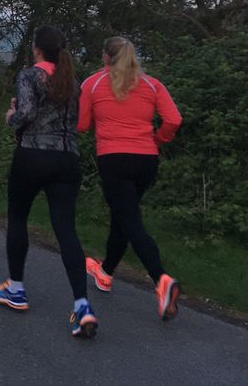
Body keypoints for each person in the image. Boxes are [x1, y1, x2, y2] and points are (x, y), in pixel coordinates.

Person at [0, 26, 97, 338]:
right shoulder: (73, 83)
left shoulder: (29, 76)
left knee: (19, 218)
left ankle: (16, 288)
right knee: (66, 230)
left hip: (32, 155)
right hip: (67, 159)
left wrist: (10, 116)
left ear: (36, 48)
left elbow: (26, 112)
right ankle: (82, 306)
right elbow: (77, 122)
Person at [78, 36, 183, 321]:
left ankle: (161, 279)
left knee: (131, 221)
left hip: (114, 158)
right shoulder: (152, 84)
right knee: (124, 216)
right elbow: (174, 120)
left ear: (105, 58)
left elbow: (83, 124)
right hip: (147, 160)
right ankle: (106, 272)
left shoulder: (93, 84)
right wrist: (158, 139)